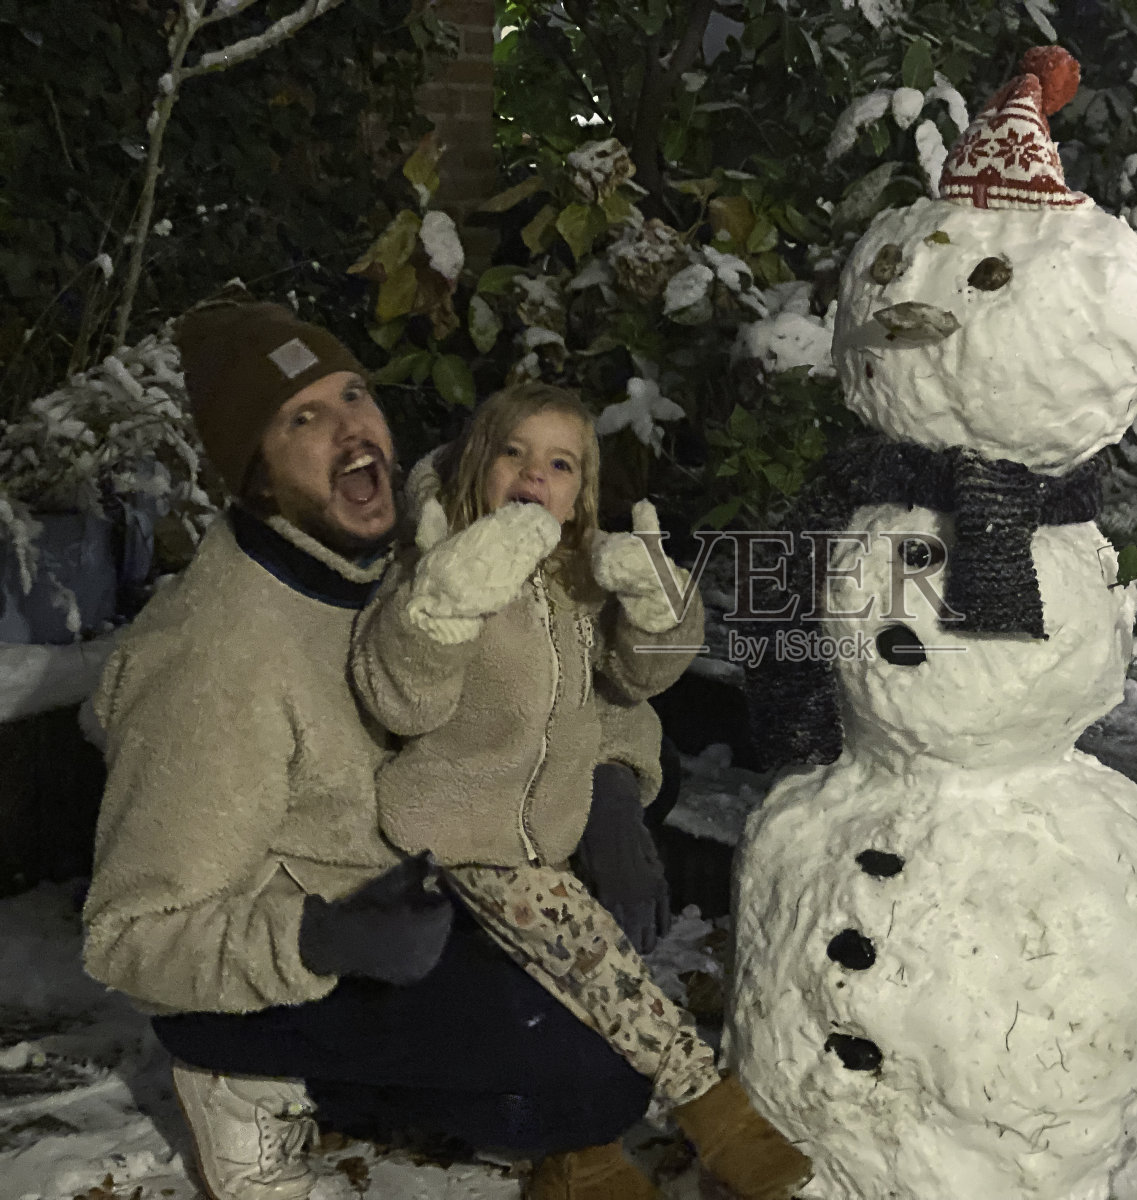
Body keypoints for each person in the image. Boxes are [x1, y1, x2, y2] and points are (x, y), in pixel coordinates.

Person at [79, 303, 805, 1200]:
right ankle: (256, 1081)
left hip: (443, 868)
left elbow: (564, 679)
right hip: (314, 944)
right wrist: (323, 937)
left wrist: (615, 790)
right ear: (255, 475)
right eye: (302, 418)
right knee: (590, 1077)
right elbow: (127, 940)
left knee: (594, 979)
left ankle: (539, 1095)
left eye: (353, 393)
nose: (351, 428)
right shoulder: (211, 660)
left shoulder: (433, 532)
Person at [349, 382, 812, 1200]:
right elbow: (399, 697)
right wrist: (443, 609)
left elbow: (635, 682)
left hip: (543, 833)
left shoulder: (572, 580)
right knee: (597, 960)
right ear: (475, 465)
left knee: (575, 979)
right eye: (514, 453)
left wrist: (659, 613)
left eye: (560, 463)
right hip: (454, 830)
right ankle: (713, 1111)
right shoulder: (435, 560)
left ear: (580, 490)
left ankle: (580, 1158)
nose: (536, 475)